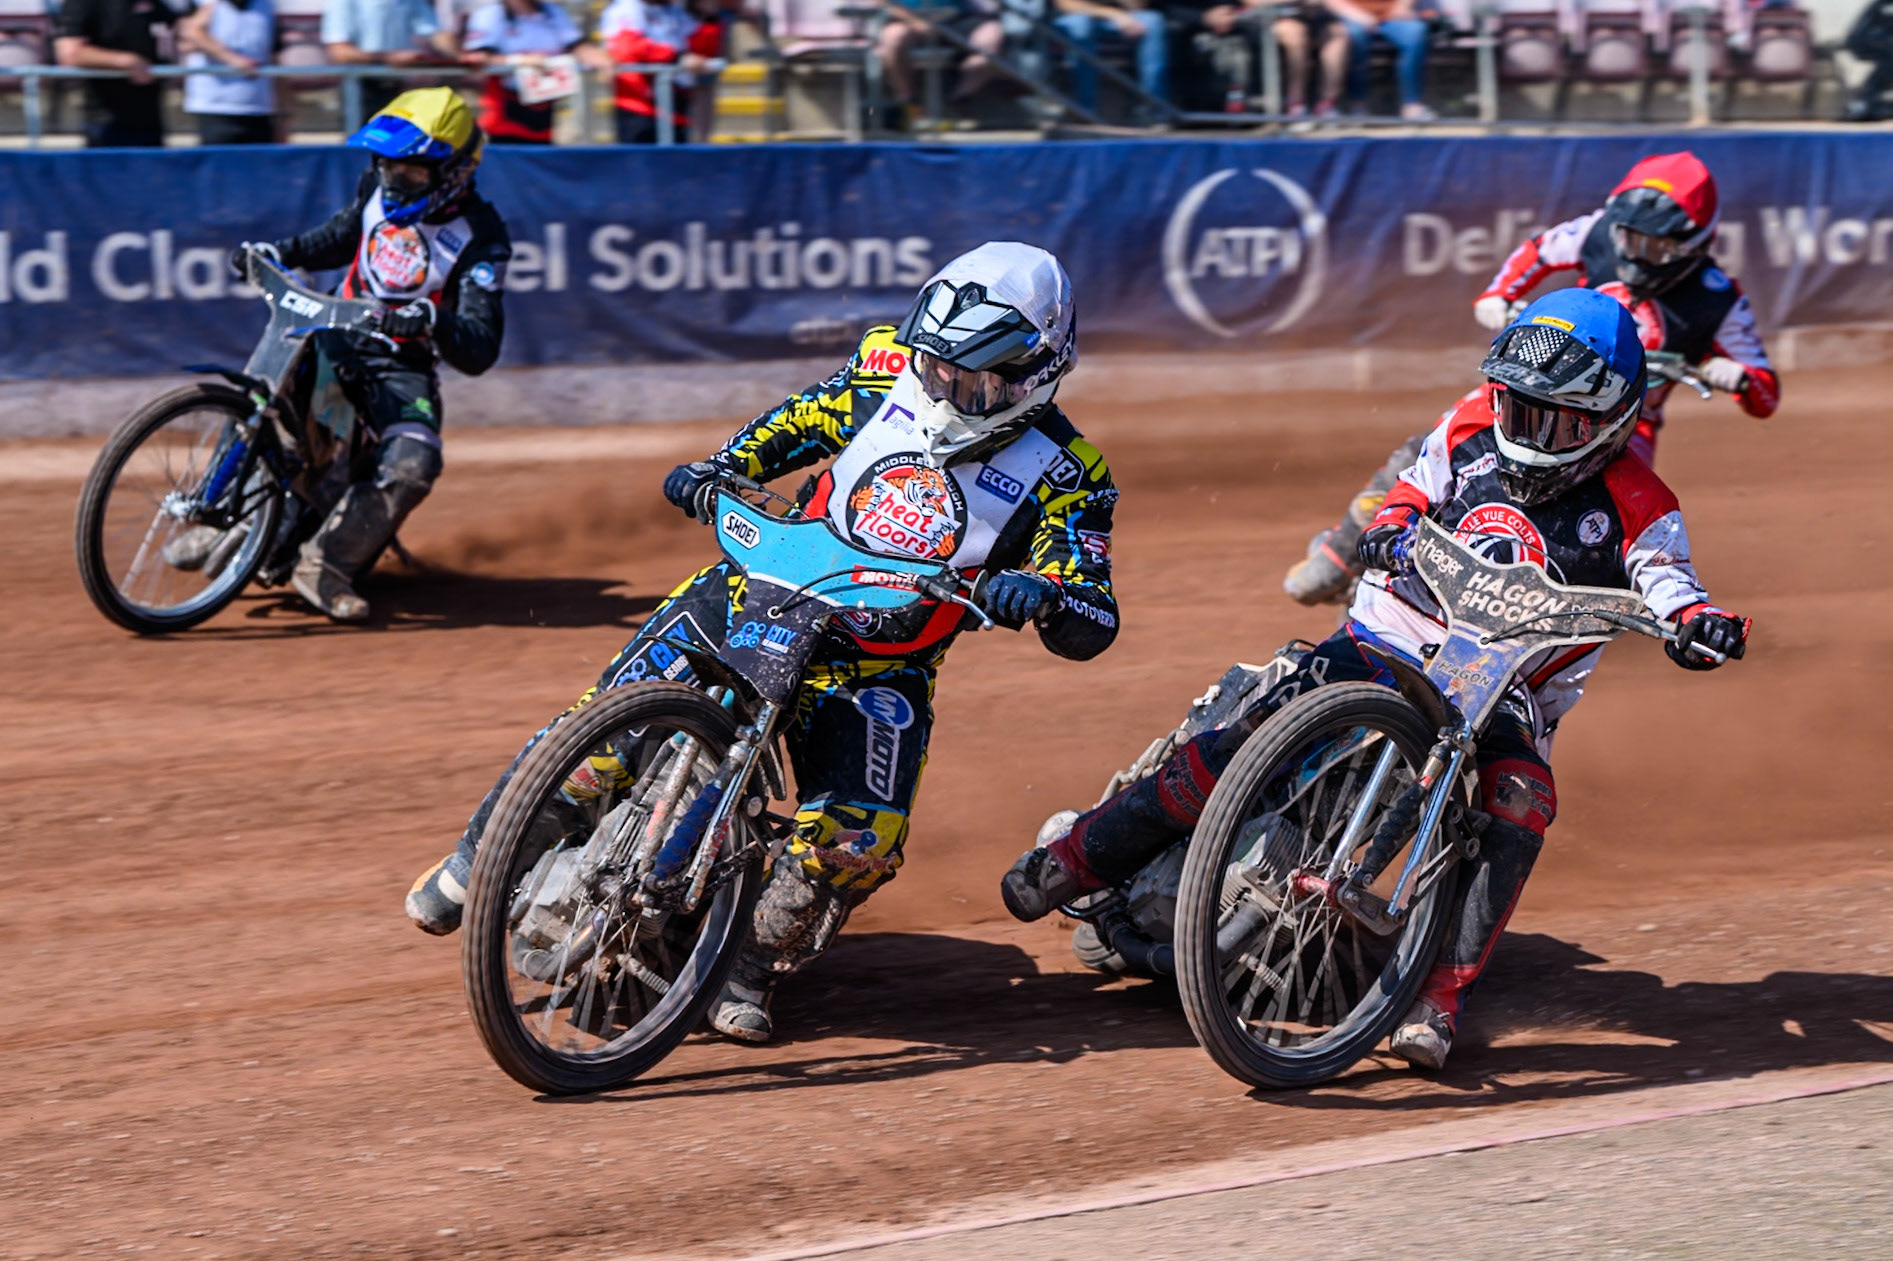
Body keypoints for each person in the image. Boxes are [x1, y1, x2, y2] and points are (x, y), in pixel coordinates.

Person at [1003, 287, 1749, 1071]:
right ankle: (1080, 856)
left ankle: (1438, 998)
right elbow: (1409, 490)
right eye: (1514, 406)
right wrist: (1388, 527)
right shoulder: (1467, 425)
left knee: (1521, 799)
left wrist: (1694, 623)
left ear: (1607, 420)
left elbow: (1668, 581)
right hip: (1391, 633)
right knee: (1254, 727)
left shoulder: (1642, 505)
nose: (1523, 428)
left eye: (1550, 417)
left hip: (1506, 689)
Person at [406, 243, 1120, 1045]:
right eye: (935, 365)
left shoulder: (1069, 473)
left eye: (970, 378)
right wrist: (720, 468)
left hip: (875, 664)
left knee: (858, 835)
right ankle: (477, 861)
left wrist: (1047, 594)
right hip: (757, 588)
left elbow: (1092, 609)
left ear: (1035, 369)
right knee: (599, 732)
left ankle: (746, 962)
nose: (943, 387)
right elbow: (799, 422)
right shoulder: (889, 366)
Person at [1284, 150, 1780, 606]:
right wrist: (1499, 294)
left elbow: (1766, 394)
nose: (1635, 252)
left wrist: (1737, 377)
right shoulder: (1598, 231)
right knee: (1429, 451)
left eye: (1655, 245)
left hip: (1622, 426)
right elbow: (1539, 251)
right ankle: (1341, 554)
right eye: (1629, 237)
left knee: (1601, 524)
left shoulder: (1720, 300)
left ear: (1693, 242)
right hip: (1532, 381)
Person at [231, 87, 510, 621]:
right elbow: (340, 237)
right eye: (384, 166)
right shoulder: (376, 191)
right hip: (334, 334)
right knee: (268, 394)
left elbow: (481, 346)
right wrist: (279, 253)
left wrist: (433, 319)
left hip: (400, 366)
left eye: (409, 171)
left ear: (453, 171)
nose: (391, 179)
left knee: (414, 461)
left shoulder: (482, 235)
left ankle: (326, 565)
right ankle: (234, 514)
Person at [52, 0, 179, 147]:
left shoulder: (154, 4)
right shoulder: (83, 3)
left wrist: (204, 14)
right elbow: (69, 53)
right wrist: (125, 61)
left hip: (150, 118)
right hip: (106, 121)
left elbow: (181, 28)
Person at [597, 0, 722, 143]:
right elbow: (627, 48)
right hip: (640, 109)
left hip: (676, 105)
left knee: (674, 162)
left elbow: (701, 51)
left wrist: (708, 17)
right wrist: (677, 58)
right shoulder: (625, 8)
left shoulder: (674, 11)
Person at [462, 0, 585, 144]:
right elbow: (476, 58)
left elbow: (578, 45)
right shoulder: (491, 14)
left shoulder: (553, 11)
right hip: (505, 113)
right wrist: (520, 60)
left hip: (547, 111)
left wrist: (599, 57)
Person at [875, 0, 1007, 128]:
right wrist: (914, 20)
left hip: (956, 20)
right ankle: (909, 103)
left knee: (993, 34)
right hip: (905, 19)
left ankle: (958, 99)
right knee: (894, 36)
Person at [322, 0, 458, 119]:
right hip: (362, 89)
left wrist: (460, 56)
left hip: (403, 87)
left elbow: (435, 32)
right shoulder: (343, 2)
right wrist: (389, 58)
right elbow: (339, 53)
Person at [180, 0, 281, 145]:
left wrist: (282, 115)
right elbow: (189, 36)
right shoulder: (205, 5)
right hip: (215, 107)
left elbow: (275, 57)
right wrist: (232, 59)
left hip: (260, 108)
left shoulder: (266, 5)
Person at [1052, 0, 1168, 116]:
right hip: (1071, 18)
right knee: (1081, 26)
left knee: (1153, 20)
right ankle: (1084, 109)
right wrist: (1113, 13)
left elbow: (1138, 6)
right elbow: (1067, 5)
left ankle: (1153, 109)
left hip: (1116, 18)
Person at [1321, 0, 1431, 120]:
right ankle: (1357, 104)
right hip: (1352, 17)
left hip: (1392, 18)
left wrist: (1402, 6)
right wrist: (1360, 16)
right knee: (1356, 36)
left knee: (1416, 31)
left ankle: (1412, 105)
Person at [1844, 0, 1893, 121]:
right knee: (1889, 60)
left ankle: (1866, 102)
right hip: (1865, 40)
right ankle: (1864, 102)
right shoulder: (1885, 5)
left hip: (1880, 42)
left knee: (1888, 60)